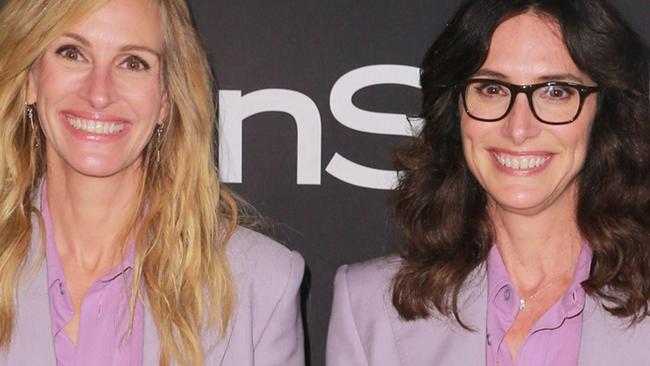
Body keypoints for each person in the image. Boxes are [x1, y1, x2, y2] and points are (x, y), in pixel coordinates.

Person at [326, 0, 650, 365]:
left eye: (556, 91)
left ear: (605, 111)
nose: (519, 129)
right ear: (455, 108)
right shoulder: (369, 307)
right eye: (492, 89)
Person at [0, 0, 305, 365]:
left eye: (133, 63)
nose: (99, 93)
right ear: (31, 79)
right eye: (73, 53)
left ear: (165, 98)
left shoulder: (261, 282)